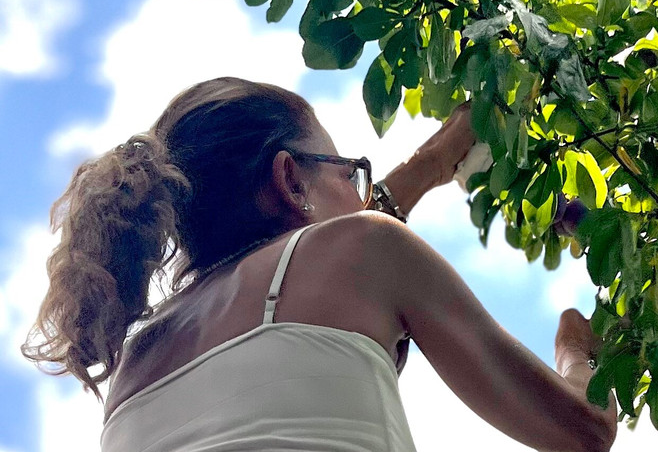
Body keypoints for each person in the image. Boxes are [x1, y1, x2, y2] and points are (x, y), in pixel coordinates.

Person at [22, 77, 617, 452]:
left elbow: (324, 255)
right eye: (349, 173)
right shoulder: (363, 250)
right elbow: (583, 430)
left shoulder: (134, 367)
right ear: (289, 178)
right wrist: (578, 349)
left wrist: (433, 162)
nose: (362, 197)